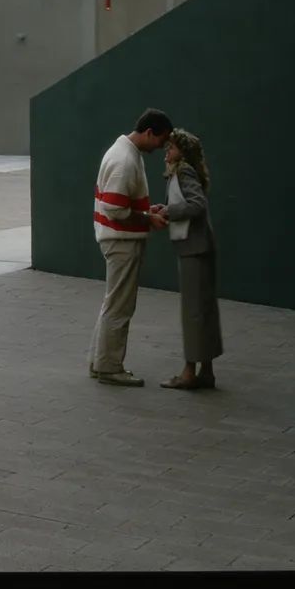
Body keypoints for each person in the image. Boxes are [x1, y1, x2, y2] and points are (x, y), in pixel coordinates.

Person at [88, 108, 173, 387]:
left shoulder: (124, 152)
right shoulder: (125, 159)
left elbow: (118, 203)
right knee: (120, 307)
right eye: (162, 140)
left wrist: (146, 211)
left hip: (117, 239)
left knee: (113, 303)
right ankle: (110, 367)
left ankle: (100, 363)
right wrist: (149, 218)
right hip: (121, 241)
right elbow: (114, 207)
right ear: (150, 132)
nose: (162, 146)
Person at [158, 127, 222, 391]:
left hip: (193, 248)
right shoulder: (185, 171)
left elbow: (196, 204)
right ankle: (206, 370)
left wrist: (169, 211)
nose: (166, 154)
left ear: (182, 152)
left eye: (170, 148)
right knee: (203, 310)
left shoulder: (183, 171)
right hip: (199, 247)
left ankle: (189, 372)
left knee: (193, 312)